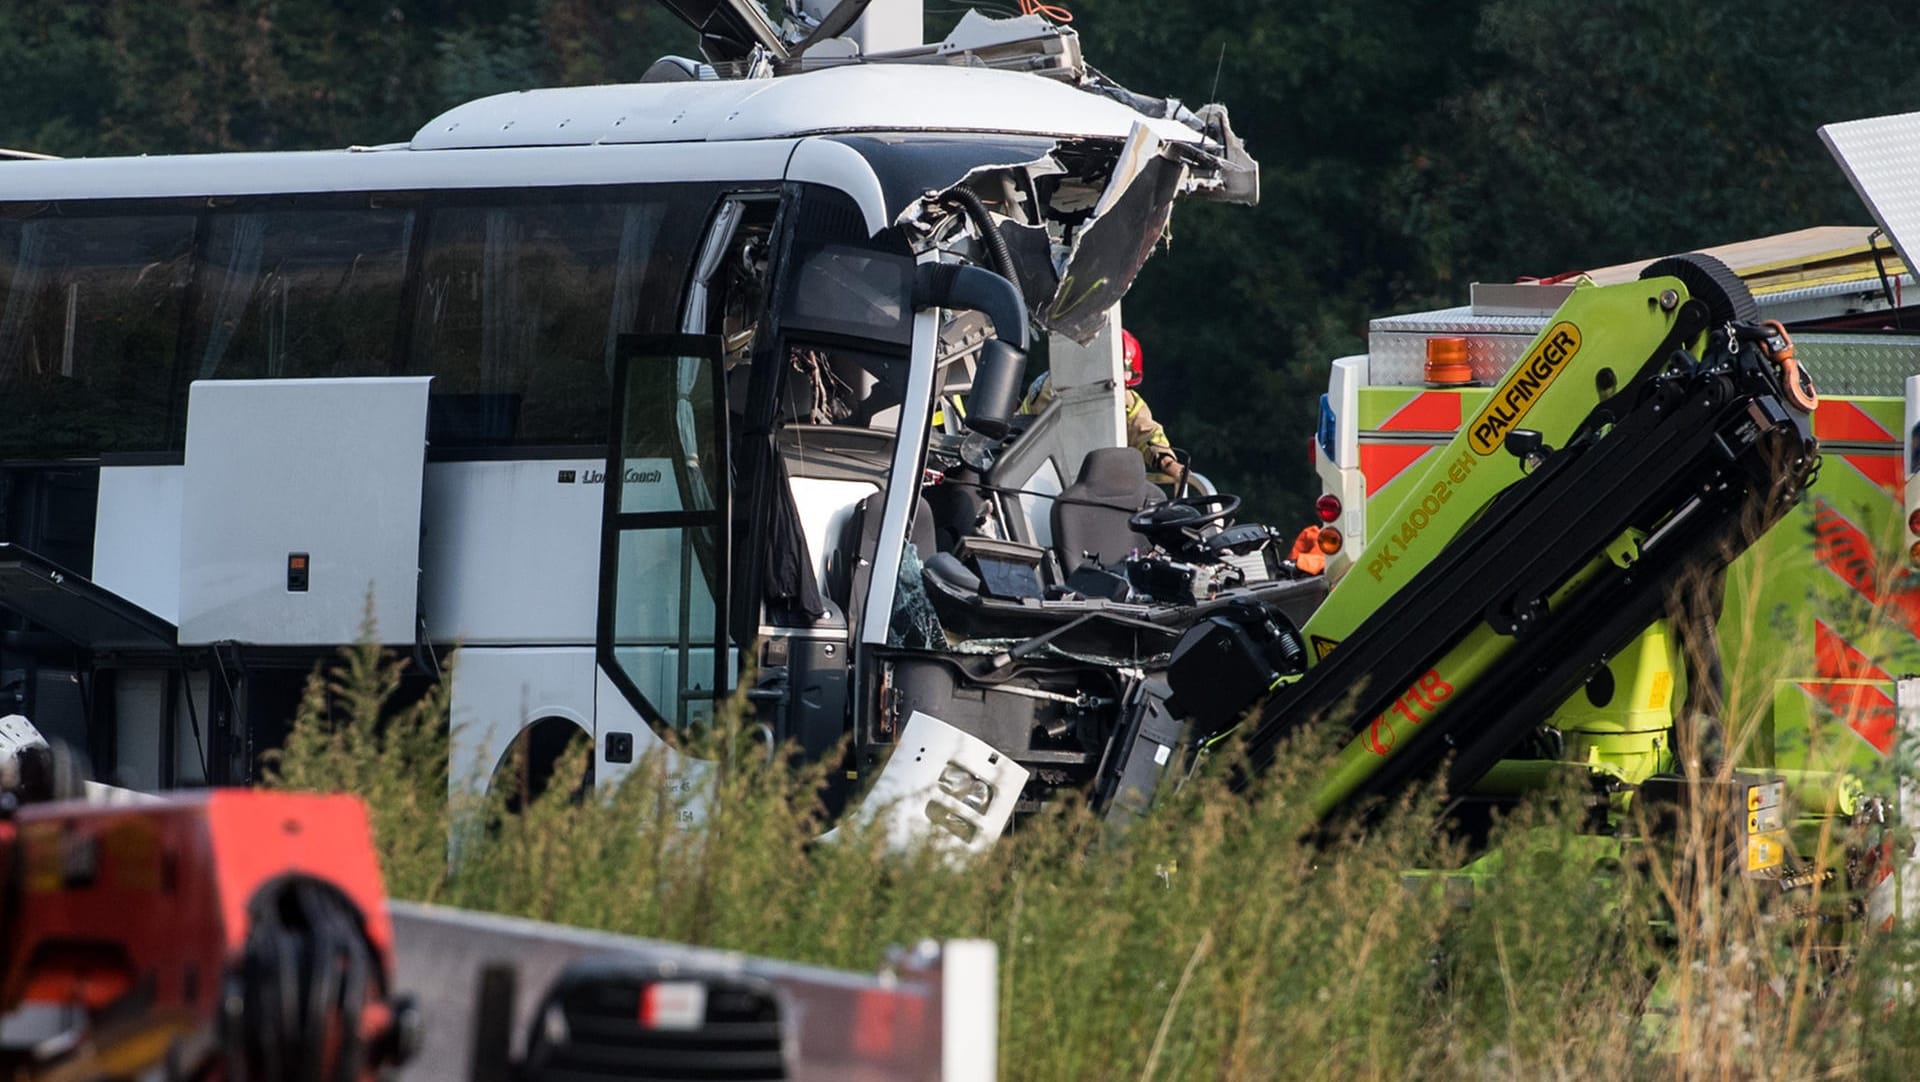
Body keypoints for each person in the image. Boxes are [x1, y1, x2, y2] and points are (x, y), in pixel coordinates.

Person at [1018, 328, 1186, 483]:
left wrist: (1165, 459)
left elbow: (1145, 430)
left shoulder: (1122, 396)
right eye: (1122, 381)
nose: (1124, 389)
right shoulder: (1050, 391)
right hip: (1045, 481)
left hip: (1091, 482)